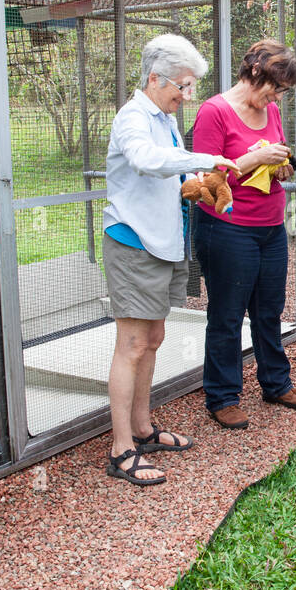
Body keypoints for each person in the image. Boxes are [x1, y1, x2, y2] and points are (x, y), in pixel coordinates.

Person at [102, 34, 238, 486]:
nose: (187, 94)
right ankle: (121, 449)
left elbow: (172, 167)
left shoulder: (165, 118)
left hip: (166, 240)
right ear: (155, 78)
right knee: (132, 344)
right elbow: (145, 160)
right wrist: (207, 157)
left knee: (155, 337)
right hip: (134, 241)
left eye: (192, 85)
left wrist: (199, 177)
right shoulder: (133, 118)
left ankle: (143, 427)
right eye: (183, 84)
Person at [191, 40, 296, 429]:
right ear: (255, 73)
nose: (276, 97)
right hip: (227, 227)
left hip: (269, 226)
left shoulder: (271, 110)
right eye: (274, 87)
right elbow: (205, 182)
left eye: (281, 91)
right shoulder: (214, 111)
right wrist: (253, 159)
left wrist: (280, 167)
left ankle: (276, 383)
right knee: (227, 314)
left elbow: (272, 157)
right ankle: (222, 395)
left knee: (268, 310)